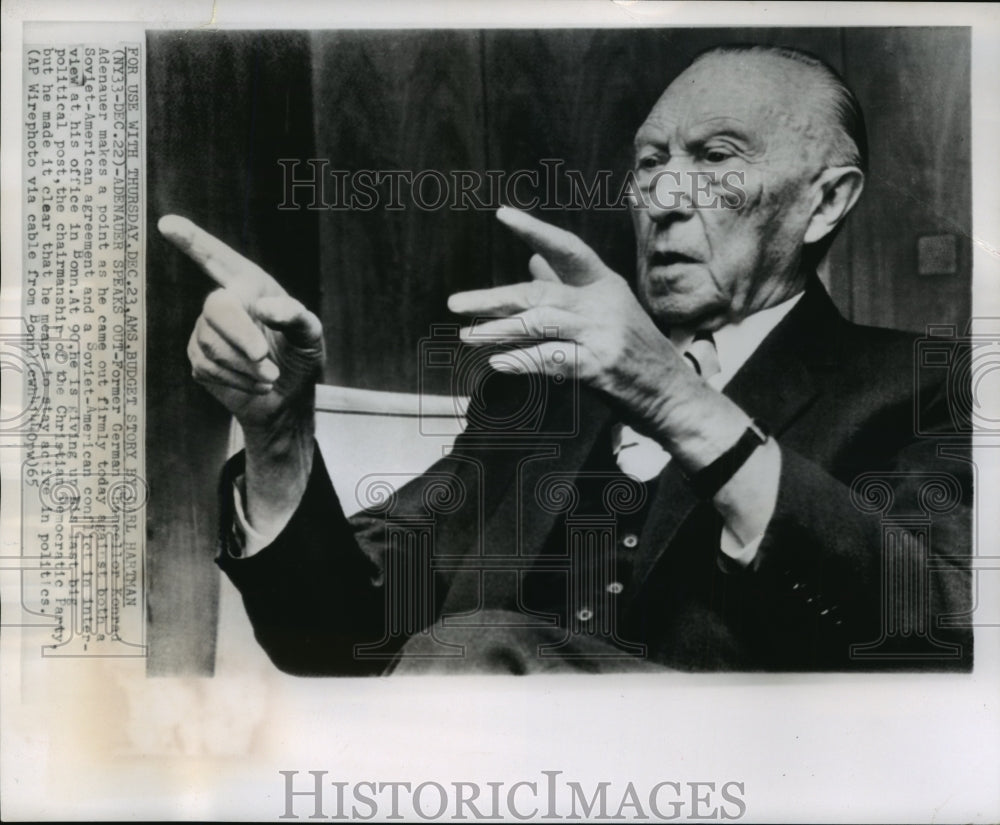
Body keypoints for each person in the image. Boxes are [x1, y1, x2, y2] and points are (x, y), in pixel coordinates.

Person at [160, 44, 973, 675]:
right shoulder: (542, 397)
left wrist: (676, 399)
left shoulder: (921, 385)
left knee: (478, 644)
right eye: (650, 162)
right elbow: (337, 639)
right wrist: (277, 433)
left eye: (717, 157)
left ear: (825, 199)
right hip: (499, 780)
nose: (661, 198)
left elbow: (938, 630)